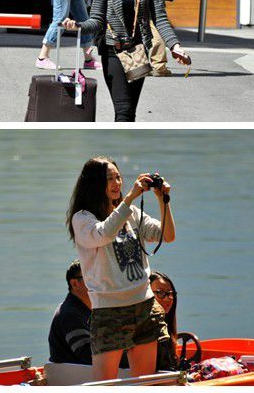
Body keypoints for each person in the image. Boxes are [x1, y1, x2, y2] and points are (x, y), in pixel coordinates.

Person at [66, 157, 176, 380]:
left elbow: (168, 235)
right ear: (95, 183)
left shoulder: (132, 213)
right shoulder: (83, 219)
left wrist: (163, 200)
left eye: (118, 177)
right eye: (109, 179)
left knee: (143, 383)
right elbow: (104, 233)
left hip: (144, 306)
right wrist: (130, 198)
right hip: (109, 312)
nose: (117, 183)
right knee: (104, 385)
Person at [62, 0, 190, 121]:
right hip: (113, 51)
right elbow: (96, 20)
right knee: (122, 110)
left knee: (130, 113)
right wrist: (78, 25)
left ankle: (125, 150)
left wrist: (175, 46)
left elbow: (160, 19)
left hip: (138, 52)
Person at [48, 260, 129, 368]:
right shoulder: (69, 314)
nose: (100, 281)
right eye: (92, 276)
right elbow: (88, 355)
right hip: (73, 377)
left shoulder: (93, 309)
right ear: (75, 284)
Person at [150, 271, 179, 371]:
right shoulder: (152, 330)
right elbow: (166, 371)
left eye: (170, 293)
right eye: (160, 293)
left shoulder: (167, 328)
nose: (167, 298)